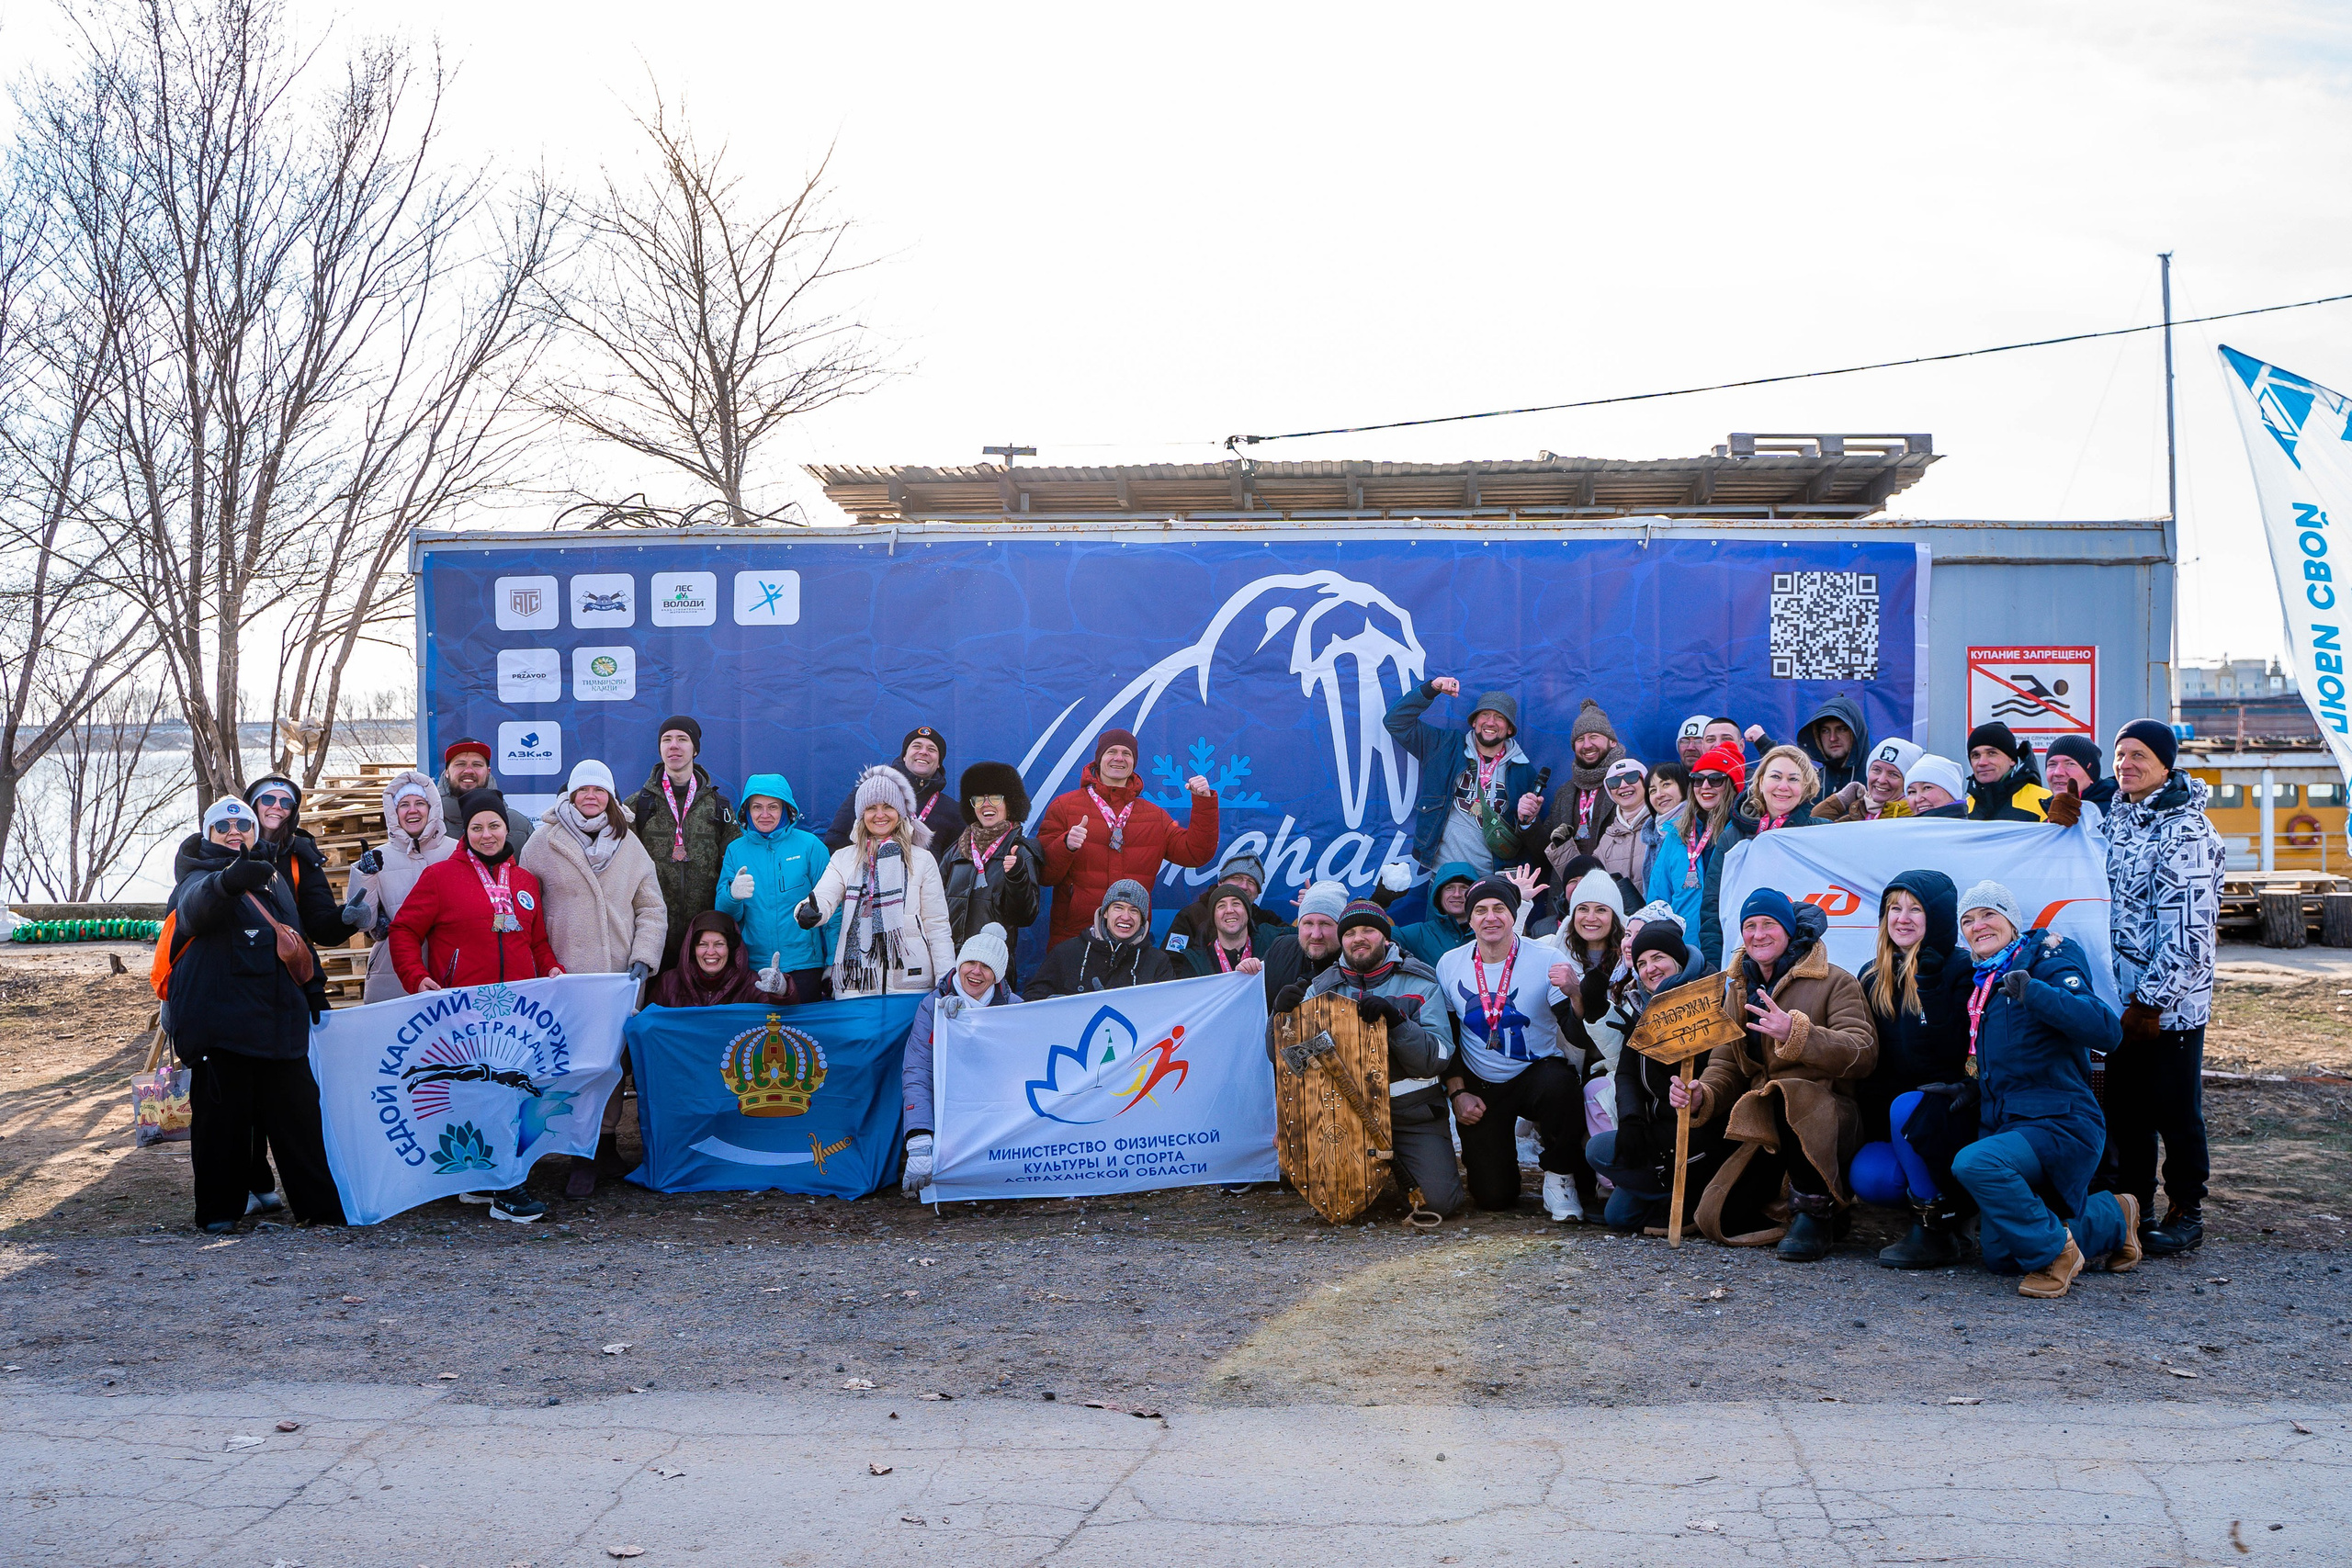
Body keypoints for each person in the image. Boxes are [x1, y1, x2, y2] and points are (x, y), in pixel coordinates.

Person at [1948, 881, 2139, 1297]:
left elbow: (2105, 1031)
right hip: (2009, 1124)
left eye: (1989, 914)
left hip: (2060, 1121)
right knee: (2003, 1257)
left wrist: (2035, 992)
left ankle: (2057, 1256)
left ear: (2012, 920)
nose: (1978, 925)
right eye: (1968, 920)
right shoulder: (1983, 980)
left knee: (1975, 1163)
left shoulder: (2048, 955)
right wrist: (1968, 1086)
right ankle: (2113, 1216)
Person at [387, 788, 564, 1224]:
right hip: (463, 1010)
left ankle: (482, 1180)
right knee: (489, 1093)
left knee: (502, 1093)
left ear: (507, 829)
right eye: (477, 827)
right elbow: (404, 931)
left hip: (517, 1012)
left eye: (494, 826)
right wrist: (415, 977)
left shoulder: (525, 882)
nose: (487, 835)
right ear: (465, 832)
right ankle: (507, 1189)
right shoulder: (440, 877)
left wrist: (551, 968)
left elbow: (537, 941)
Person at [167, 797, 343, 1234]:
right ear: (208, 833)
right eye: (223, 826)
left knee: (300, 1121)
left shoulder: (271, 875)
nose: (235, 831)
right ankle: (218, 1214)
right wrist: (227, 882)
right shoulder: (195, 875)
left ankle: (320, 1210)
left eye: (243, 824)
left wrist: (314, 989)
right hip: (220, 1027)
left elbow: (294, 935)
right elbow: (194, 911)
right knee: (222, 1127)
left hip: (278, 1022)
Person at [1674, 890, 1877, 1259]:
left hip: (1829, 1120)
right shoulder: (1738, 990)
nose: (1758, 934)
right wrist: (1703, 1094)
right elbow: (1726, 1063)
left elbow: (1863, 1052)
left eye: (1769, 924)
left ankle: (1815, 1210)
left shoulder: (1836, 981)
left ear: (1789, 929)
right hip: (1766, 1124)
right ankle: (1819, 1215)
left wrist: (1798, 1035)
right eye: (1750, 926)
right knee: (1721, 1219)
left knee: (1790, 1090)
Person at [2100, 718, 2223, 1258]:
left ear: (2166, 765)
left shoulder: (2187, 831)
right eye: (2120, 754)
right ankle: (2135, 1208)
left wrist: (2152, 1001)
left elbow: (2190, 932)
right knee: (2128, 1111)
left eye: (2139, 756)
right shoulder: (2120, 818)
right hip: (2120, 1002)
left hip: (2168, 1007)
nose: (2125, 764)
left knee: (2174, 1111)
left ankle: (2186, 1211)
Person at [520, 760, 669, 1199]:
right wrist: (539, 963)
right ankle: (576, 1154)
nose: (591, 796)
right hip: (563, 977)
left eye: (599, 790)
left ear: (609, 796)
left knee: (609, 1064)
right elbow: (526, 909)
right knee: (570, 1065)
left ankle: (602, 1146)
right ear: (571, 794)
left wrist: (644, 957)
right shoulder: (542, 843)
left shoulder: (630, 844)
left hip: (618, 976)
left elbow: (651, 908)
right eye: (583, 789)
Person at [1435, 875, 1595, 1222]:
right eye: (1480, 910)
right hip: (1480, 1082)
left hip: (1535, 1073)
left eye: (1499, 909)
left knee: (1561, 1084)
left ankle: (1560, 1177)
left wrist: (1576, 994)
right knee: (1494, 1197)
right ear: (1470, 918)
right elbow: (1447, 1037)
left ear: (1513, 914)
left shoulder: (1546, 958)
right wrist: (1457, 1092)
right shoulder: (1450, 963)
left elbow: (1577, 1035)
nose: (1490, 917)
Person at [1299, 899, 1465, 1216]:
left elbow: (1437, 1059)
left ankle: (1405, 1170)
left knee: (1438, 1204)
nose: (1358, 938)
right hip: (1345, 1117)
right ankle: (1368, 1174)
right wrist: (1282, 1019)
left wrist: (1398, 1023)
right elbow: (1295, 1064)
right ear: (1341, 940)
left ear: (1386, 938)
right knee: (1337, 1204)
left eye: (1368, 930)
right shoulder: (1320, 989)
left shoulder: (1422, 982)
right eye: (1350, 933)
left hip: (1412, 1115)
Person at [1849, 871, 1976, 1269]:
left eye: (1915, 909)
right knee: (1870, 1176)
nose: (1902, 919)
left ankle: (1936, 1227)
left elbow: (1954, 1050)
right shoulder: (1872, 974)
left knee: (1908, 1105)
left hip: (1951, 1112)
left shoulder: (1962, 968)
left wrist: (1931, 984)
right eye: (1894, 908)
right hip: (1898, 1122)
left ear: (1936, 916)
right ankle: (1942, 1205)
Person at [1585, 917, 1722, 1232]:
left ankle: (1693, 1194)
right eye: (1642, 963)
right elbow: (1627, 1074)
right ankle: (1671, 1197)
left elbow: (1723, 1070)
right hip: (1656, 1131)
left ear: (1678, 960)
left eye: (1658, 958)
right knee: (1619, 1217)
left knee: (1599, 1150)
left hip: (1699, 1130)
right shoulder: (1642, 1004)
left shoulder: (1707, 999)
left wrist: (1697, 1092)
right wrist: (1631, 1119)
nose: (1650, 969)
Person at [1035, 728, 1220, 947]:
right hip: (1074, 938)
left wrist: (1203, 802)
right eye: (1111, 752)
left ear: (1134, 762)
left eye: (1126, 753)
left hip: (1131, 937)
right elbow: (1045, 875)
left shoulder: (1154, 816)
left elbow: (1195, 853)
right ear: (1099, 759)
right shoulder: (1064, 807)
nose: (1119, 758)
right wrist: (1065, 846)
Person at [795, 766, 957, 998]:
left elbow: (937, 925)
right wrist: (809, 911)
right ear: (862, 815)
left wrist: (946, 983)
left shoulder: (922, 859)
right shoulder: (844, 858)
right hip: (855, 985)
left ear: (899, 812)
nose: (880, 815)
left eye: (888, 806)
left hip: (911, 985)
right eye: (871, 808)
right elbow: (824, 896)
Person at [899, 923, 1020, 1197]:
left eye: (986, 967)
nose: (976, 972)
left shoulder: (1014, 1008)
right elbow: (918, 1070)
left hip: (995, 1113)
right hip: (949, 1113)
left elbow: (1025, 1071)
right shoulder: (933, 1005)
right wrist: (919, 1138)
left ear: (997, 976)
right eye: (970, 963)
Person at [1384, 678, 1543, 875]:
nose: (1490, 722)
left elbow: (1528, 839)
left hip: (1492, 880)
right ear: (1474, 722)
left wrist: (1529, 821)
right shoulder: (1444, 747)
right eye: (1485, 714)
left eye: (1499, 717)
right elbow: (1395, 722)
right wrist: (1431, 688)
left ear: (1509, 729)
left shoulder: (1523, 771)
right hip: (1445, 876)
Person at [627, 716, 741, 969]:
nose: (674, 746)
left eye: (682, 739)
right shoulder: (637, 805)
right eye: (666, 740)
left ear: (695, 749)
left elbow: (733, 866)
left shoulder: (719, 806)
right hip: (653, 935)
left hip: (704, 939)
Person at [339, 771, 458, 1005]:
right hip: (392, 971)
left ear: (432, 808)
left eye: (419, 803)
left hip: (450, 967)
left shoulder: (457, 851)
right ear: (393, 812)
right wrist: (366, 876)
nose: (412, 810)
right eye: (404, 804)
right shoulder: (376, 857)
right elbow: (363, 923)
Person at [1698, 745, 1820, 971]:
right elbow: (1712, 909)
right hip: (1742, 964)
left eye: (1794, 779)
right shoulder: (1732, 837)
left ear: (1806, 787)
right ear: (1761, 782)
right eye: (1776, 776)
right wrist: (1714, 966)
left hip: (1803, 963)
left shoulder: (1820, 833)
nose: (1783, 786)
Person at [716, 773, 836, 1003]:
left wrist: (833, 961)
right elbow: (725, 917)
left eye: (773, 807)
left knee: (801, 1026)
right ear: (746, 811)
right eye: (757, 807)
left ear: (786, 809)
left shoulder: (810, 846)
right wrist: (732, 896)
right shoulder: (735, 850)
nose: (765, 814)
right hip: (754, 966)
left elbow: (833, 909)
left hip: (804, 965)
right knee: (759, 1027)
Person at [935, 762, 1042, 974]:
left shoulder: (1020, 851)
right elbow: (934, 907)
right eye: (978, 799)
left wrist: (1017, 877)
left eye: (995, 798)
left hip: (992, 968)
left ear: (1010, 803)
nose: (986, 805)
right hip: (950, 965)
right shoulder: (955, 851)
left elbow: (1025, 917)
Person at [243, 774, 358, 948]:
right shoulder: (230, 851)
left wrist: (344, 919)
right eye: (268, 799)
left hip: (287, 959)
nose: (277, 806)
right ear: (253, 805)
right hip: (237, 958)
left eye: (286, 803)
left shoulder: (301, 857)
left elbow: (320, 928)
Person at [1543, 866, 1632, 1074]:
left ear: (1615, 916)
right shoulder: (1553, 949)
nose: (1590, 917)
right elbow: (1509, 953)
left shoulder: (1632, 957)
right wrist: (1521, 905)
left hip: (1622, 1064)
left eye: (1601, 910)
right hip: (1571, 1065)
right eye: (1583, 909)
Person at [1023, 878, 1178, 998]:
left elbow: (1170, 1010)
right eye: (1118, 907)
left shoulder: (1158, 962)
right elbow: (1033, 1000)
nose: (1125, 917)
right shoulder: (1066, 952)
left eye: (1134, 911)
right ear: (1105, 913)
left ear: (1142, 919)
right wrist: (1059, 1005)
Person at [825, 724, 966, 852]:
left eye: (931, 749)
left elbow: (955, 862)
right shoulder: (870, 791)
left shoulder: (952, 810)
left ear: (939, 763)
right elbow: (836, 839)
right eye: (917, 746)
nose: (923, 752)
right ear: (904, 756)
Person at [1672, 743, 1747, 965]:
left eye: (1715, 779)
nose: (1705, 786)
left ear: (1732, 785)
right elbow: (1659, 894)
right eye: (1697, 779)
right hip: (1681, 948)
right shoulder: (1676, 833)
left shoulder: (1742, 833)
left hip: (1728, 945)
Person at [1542, 700, 1626, 864]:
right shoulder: (1565, 792)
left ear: (1613, 742)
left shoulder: (1630, 783)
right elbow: (1545, 850)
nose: (1587, 745)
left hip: (1614, 879)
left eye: (1594, 736)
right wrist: (1528, 823)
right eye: (1580, 739)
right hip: (1570, 879)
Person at [1163, 850, 1282, 960]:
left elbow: (1291, 948)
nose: (1244, 886)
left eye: (1251, 882)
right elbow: (1172, 962)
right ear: (1220, 883)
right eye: (1237, 878)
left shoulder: (1267, 921)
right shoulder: (1190, 916)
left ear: (1257, 893)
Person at [646, 910, 764, 1007]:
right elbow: (650, 1021)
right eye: (703, 944)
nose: (711, 952)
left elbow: (772, 1020)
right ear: (693, 949)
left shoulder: (753, 983)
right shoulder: (669, 982)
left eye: (719, 944)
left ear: (730, 948)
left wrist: (776, 993)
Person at [1264, 880, 1350, 1008]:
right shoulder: (1280, 949)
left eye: (1325, 924)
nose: (1316, 935)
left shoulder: (1357, 962)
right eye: (1308, 923)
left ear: (1341, 927)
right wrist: (1247, 971)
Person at [436, 738, 535, 848]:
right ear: (447, 772)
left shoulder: (519, 825)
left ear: (488, 772)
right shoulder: (429, 824)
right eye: (460, 764)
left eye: (477, 764)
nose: (469, 770)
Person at [1181, 880, 1279, 977]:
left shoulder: (1272, 946)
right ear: (1214, 917)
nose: (1229, 910)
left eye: (1236, 904)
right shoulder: (1195, 962)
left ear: (1248, 913)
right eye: (1221, 906)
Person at [1815, 738, 1920, 824]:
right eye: (1876, 770)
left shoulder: (1913, 820)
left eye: (1893, 774)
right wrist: (1840, 800)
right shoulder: (1859, 812)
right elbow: (1811, 830)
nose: (1881, 780)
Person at [1965, 723, 2051, 822]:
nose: (1982, 762)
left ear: (2012, 760)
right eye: (1976, 755)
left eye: (1992, 753)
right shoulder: (1965, 808)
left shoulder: (2045, 802)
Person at [1590, 758, 1655, 890]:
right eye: (1614, 782)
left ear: (1646, 782)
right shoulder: (1607, 839)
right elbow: (1591, 884)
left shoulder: (1662, 826)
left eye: (1631, 777)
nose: (1623, 785)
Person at [1394, 863, 1475, 967]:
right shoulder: (1420, 934)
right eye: (1449, 888)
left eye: (1464, 888)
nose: (1457, 894)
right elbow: (1378, 936)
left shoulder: (1487, 932)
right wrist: (1382, 902)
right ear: (1438, 895)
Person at [1790, 695, 1873, 795]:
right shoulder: (1810, 786)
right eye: (1825, 731)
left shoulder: (1877, 784)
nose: (1832, 738)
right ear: (1817, 736)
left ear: (1857, 732)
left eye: (1841, 729)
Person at [2040, 736, 2114, 829]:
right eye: (2052, 764)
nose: (2058, 772)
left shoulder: (2113, 815)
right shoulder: (2048, 819)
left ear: (2091, 773)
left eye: (2070, 764)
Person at [1903, 754, 1971, 818]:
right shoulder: (1903, 826)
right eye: (1912, 792)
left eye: (1927, 788)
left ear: (1951, 792)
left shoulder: (1969, 826)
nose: (1918, 799)